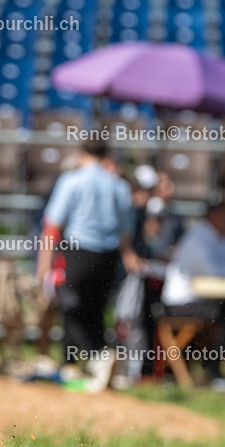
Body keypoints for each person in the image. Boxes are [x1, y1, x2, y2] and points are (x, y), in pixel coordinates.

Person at [36, 138, 138, 386]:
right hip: (107, 256)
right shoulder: (119, 185)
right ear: (106, 155)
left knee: (70, 308)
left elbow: (53, 224)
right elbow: (126, 231)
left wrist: (43, 263)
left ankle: (97, 357)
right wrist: (128, 255)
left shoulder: (72, 180)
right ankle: (75, 366)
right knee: (95, 310)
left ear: (81, 153)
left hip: (77, 251)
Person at [159, 194, 225, 378]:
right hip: (181, 303)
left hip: (204, 299)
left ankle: (220, 364)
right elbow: (216, 273)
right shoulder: (197, 239)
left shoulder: (223, 237)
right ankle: (212, 366)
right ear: (212, 216)